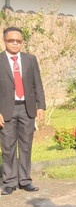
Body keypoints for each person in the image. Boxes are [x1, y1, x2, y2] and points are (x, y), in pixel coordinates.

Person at [0, 27, 45, 196]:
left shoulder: (30, 60)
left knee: (26, 146)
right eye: (11, 40)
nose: (15, 44)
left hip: (27, 108)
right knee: (8, 146)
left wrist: (41, 106)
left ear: (22, 42)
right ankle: (10, 181)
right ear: (4, 41)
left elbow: (37, 84)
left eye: (18, 41)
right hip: (6, 110)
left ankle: (25, 180)